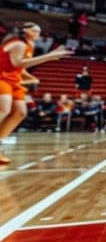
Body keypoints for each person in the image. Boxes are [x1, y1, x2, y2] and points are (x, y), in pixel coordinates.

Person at [0, 22, 72, 164]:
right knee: (4, 109)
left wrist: (31, 78)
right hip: (2, 78)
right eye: (36, 30)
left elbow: (19, 69)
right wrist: (49, 57)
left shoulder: (29, 46)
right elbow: (17, 63)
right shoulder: (18, 43)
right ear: (26, 31)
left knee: (20, 112)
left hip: (13, 80)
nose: (39, 33)